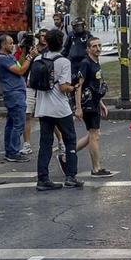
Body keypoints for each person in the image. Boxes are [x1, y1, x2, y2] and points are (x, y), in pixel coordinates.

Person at [32, 28, 83, 191]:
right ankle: (71, 176)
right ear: (61, 44)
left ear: (47, 42)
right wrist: (74, 88)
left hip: (43, 107)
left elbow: (29, 82)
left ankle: (43, 178)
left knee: (45, 143)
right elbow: (63, 87)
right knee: (70, 140)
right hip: (60, 107)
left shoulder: (38, 59)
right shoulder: (63, 62)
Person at [73, 37, 114, 176]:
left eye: (99, 45)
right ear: (88, 49)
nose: (98, 48)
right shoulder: (86, 63)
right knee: (94, 135)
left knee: (93, 134)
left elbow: (94, 85)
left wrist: (101, 103)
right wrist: (78, 107)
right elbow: (79, 86)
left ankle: (67, 153)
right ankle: (96, 168)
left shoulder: (96, 63)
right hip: (87, 104)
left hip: (95, 102)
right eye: (94, 46)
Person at [0, 33, 31, 161]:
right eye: (10, 43)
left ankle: (10, 150)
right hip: (14, 93)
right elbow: (20, 71)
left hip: (15, 92)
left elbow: (19, 65)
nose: (12, 45)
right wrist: (30, 58)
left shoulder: (9, 57)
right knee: (19, 123)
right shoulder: (2, 58)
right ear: (3, 45)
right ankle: (13, 152)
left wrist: (24, 52)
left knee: (11, 123)